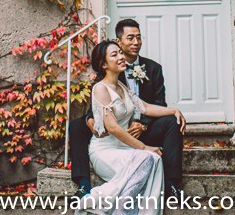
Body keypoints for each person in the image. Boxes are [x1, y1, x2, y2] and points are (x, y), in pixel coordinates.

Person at [69, 19, 185, 200]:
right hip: (111, 135)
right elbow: (100, 110)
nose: (136, 42)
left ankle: (171, 184)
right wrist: (90, 120)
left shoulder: (153, 69)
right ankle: (83, 183)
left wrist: (166, 114)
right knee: (77, 125)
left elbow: (150, 105)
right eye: (130, 38)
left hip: (141, 129)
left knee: (172, 122)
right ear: (119, 42)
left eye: (139, 38)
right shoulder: (109, 71)